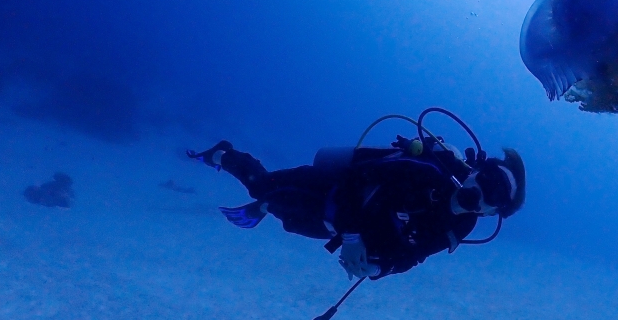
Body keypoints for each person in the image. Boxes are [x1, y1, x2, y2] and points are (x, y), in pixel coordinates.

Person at [186, 116, 525, 281]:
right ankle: (223, 155)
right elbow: (355, 177)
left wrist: (379, 268)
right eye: (486, 179)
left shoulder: (460, 225)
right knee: (262, 188)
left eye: (492, 196)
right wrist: (351, 238)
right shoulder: (427, 172)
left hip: (335, 224)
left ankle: (264, 202)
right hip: (329, 187)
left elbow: (416, 255)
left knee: (285, 218)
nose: (480, 193)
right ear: (474, 171)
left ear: (491, 212)